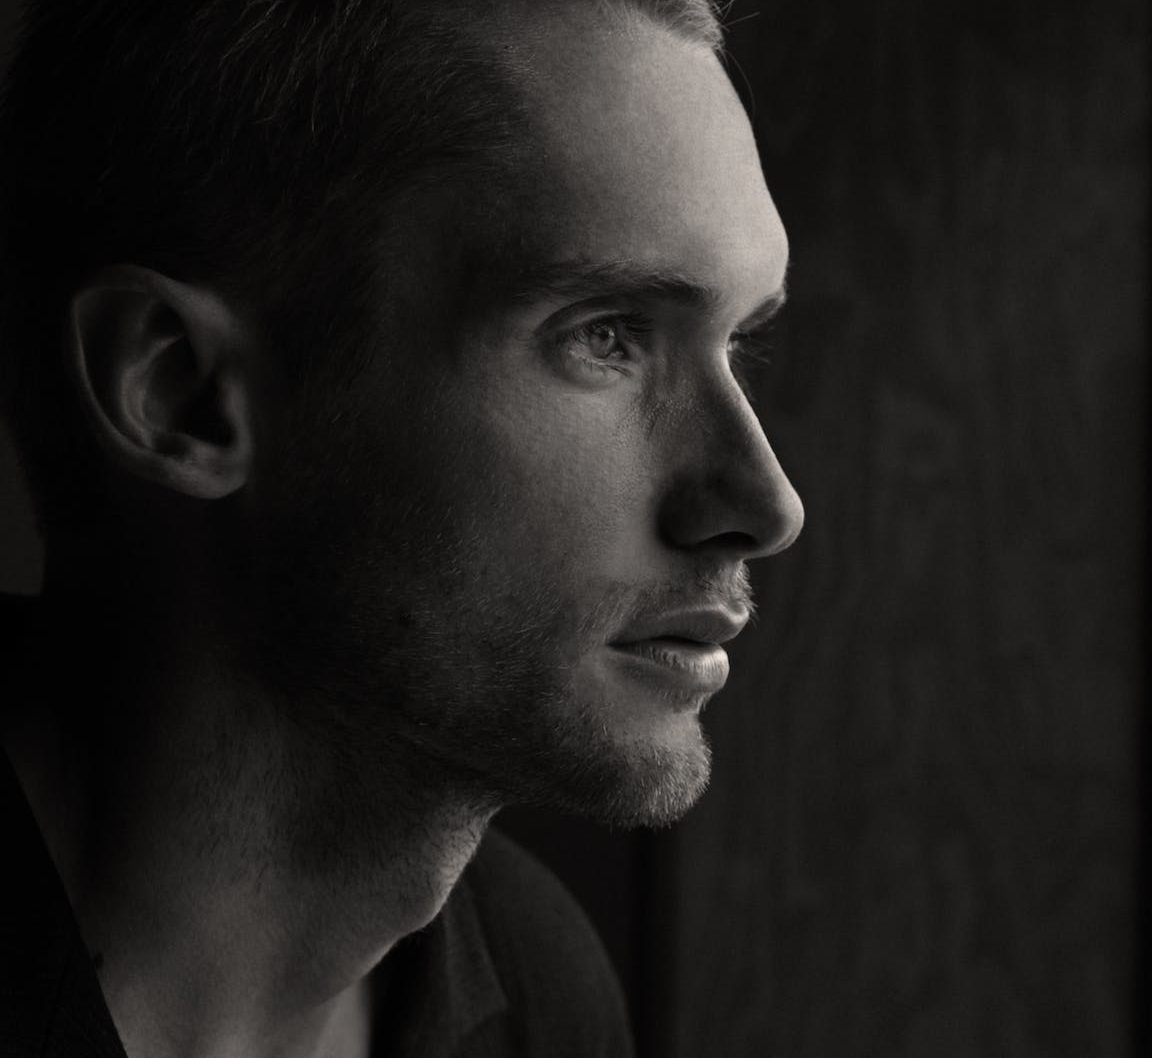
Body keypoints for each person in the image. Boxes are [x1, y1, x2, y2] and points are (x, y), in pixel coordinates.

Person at [0, 0, 804, 1054]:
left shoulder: (535, 984)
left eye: (737, 343)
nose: (765, 503)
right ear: (182, 391)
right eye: (604, 337)